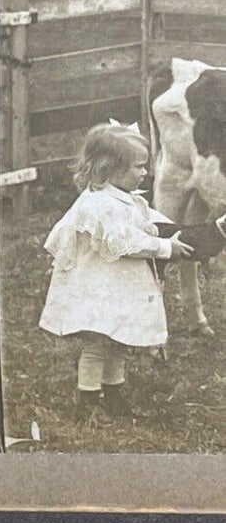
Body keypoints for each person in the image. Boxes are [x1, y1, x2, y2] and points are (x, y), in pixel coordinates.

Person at [39, 122, 193, 420]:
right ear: (111, 169)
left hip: (117, 286)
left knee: (119, 338)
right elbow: (126, 242)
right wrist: (164, 248)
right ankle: (88, 400)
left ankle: (113, 391)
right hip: (98, 288)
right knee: (98, 342)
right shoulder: (100, 205)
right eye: (138, 166)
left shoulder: (126, 198)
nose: (144, 172)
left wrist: (177, 232)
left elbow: (147, 219)